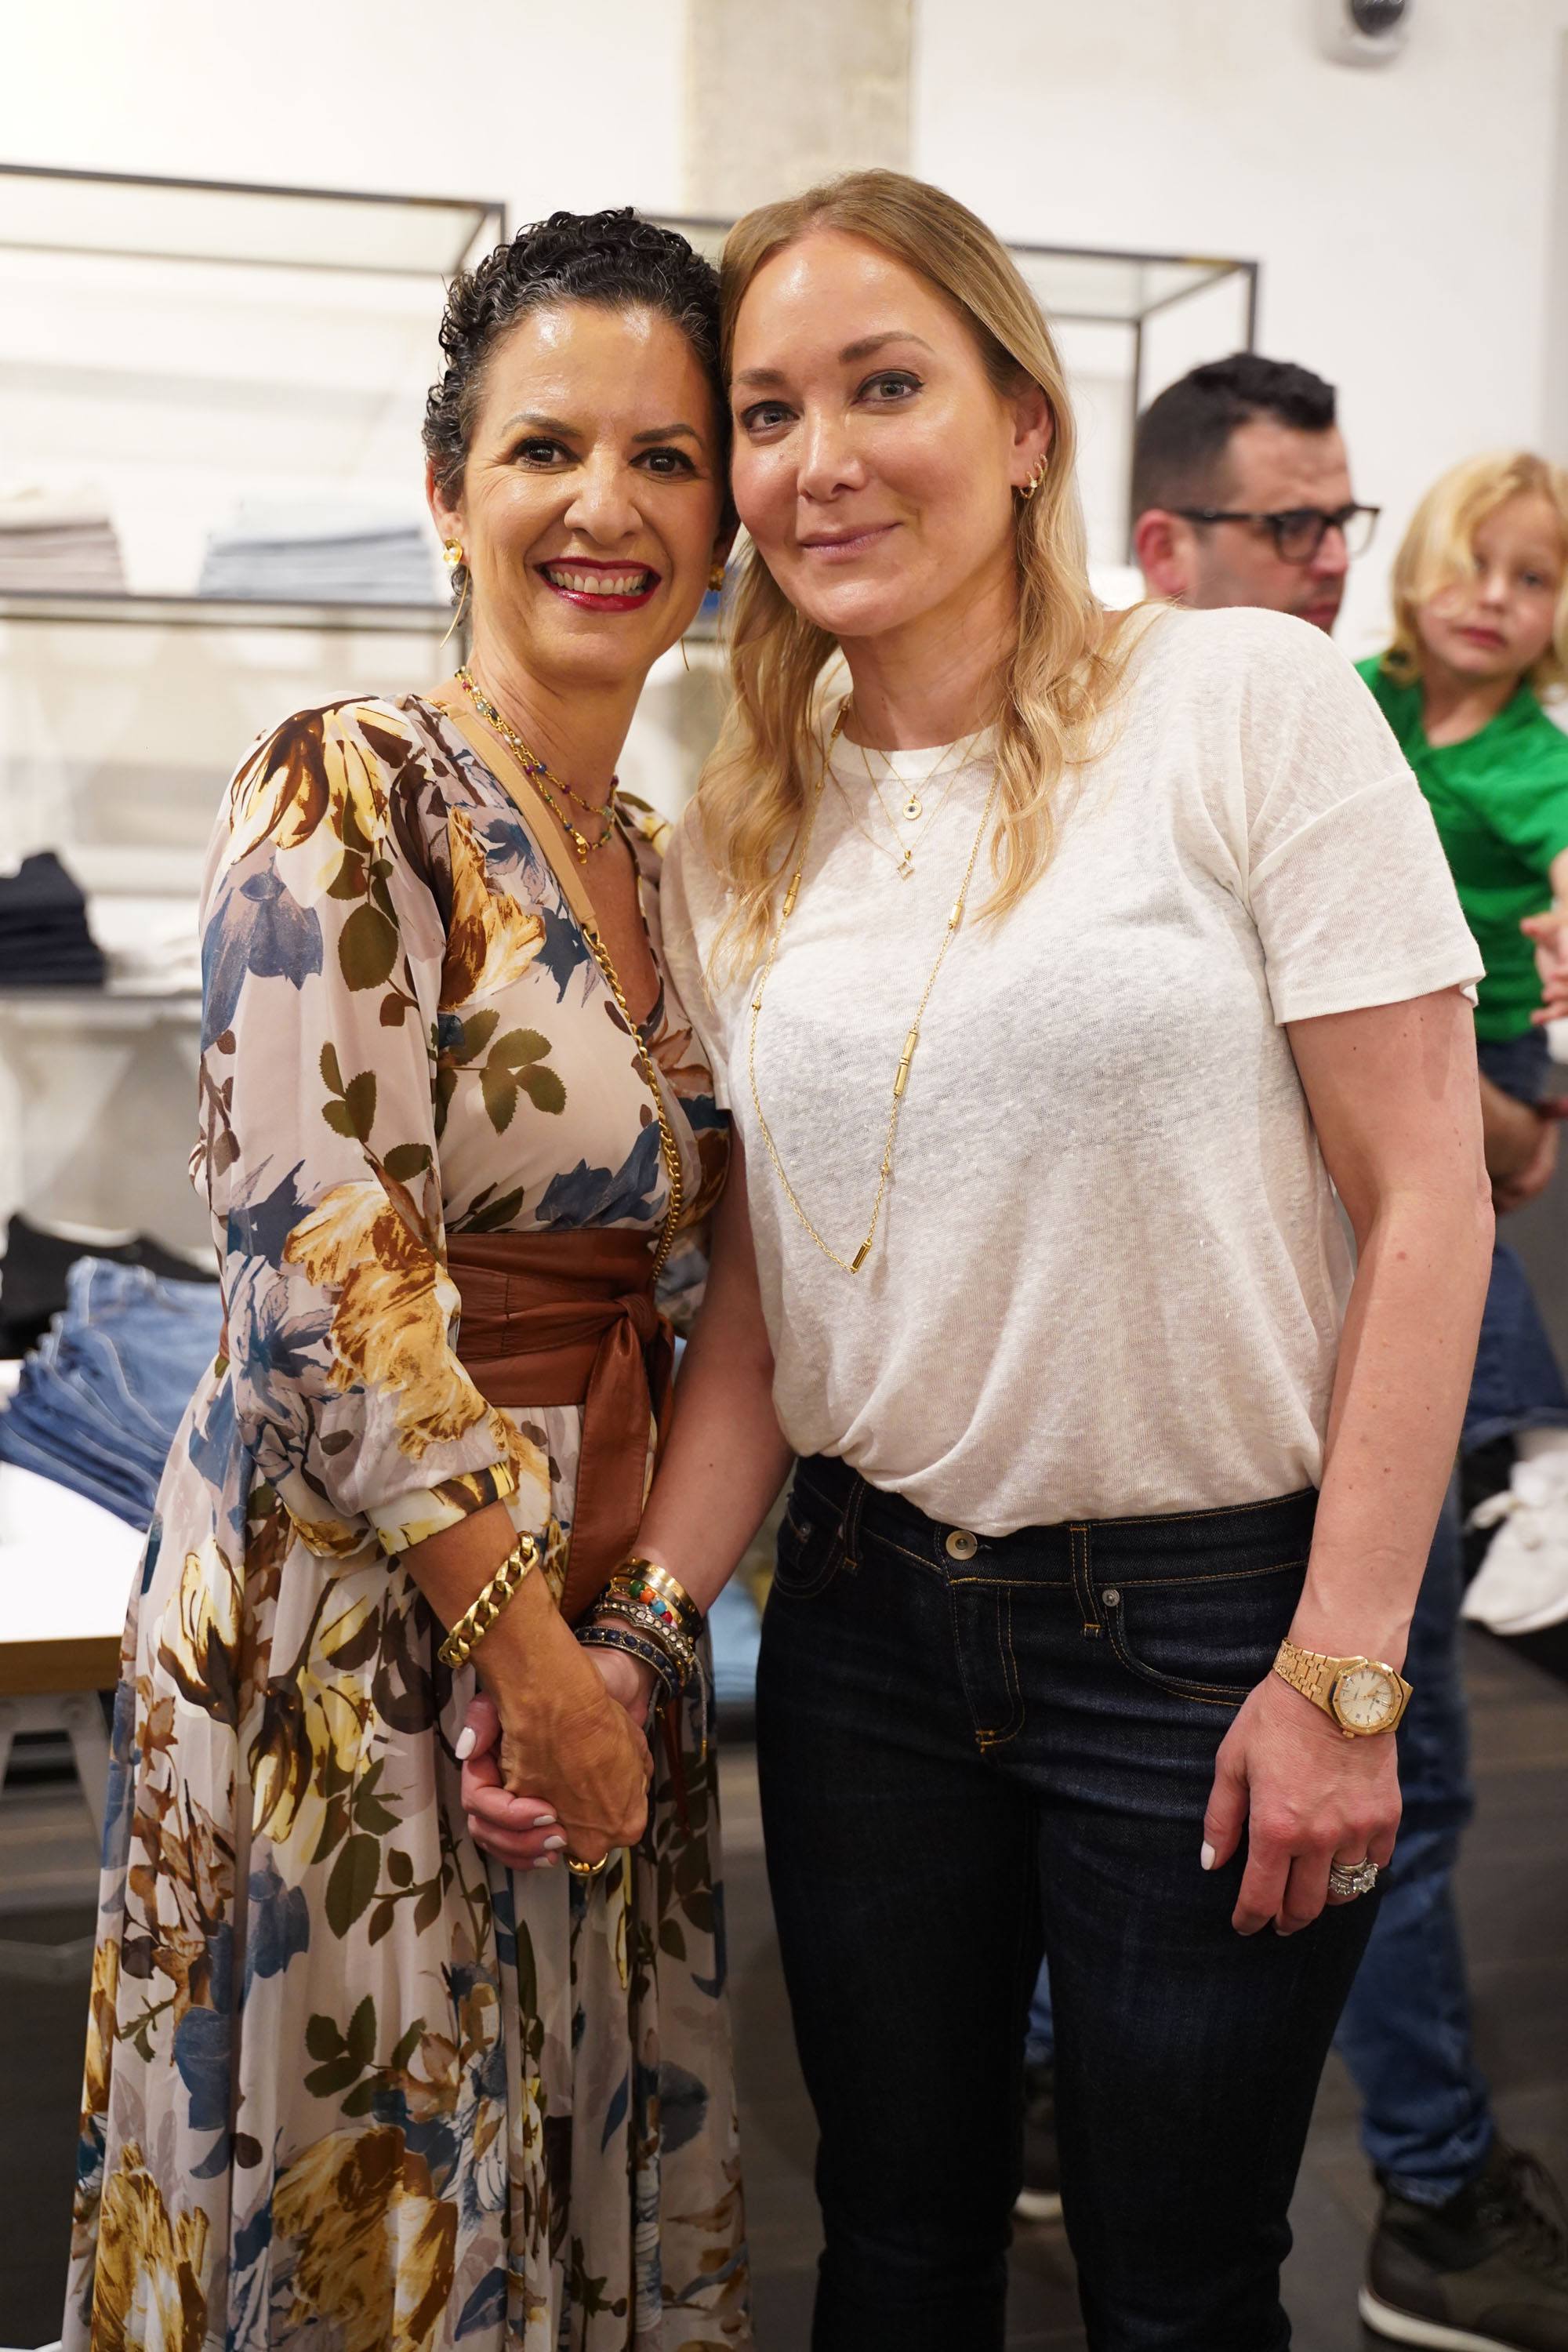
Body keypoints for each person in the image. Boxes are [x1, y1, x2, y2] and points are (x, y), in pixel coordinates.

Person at [468, 164, 1493, 2352]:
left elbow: (1432, 1195)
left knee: (1181, 2275)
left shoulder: (1240, 704)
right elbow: (767, 1310)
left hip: (1212, 1624)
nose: (820, 460)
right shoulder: (755, 814)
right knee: (903, 2238)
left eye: (886, 385)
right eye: (765, 412)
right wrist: (645, 1634)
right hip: (866, 1630)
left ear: (1026, 421)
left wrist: (1346, 1671)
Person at [64, 209, 750, 2352]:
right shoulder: (352, 781)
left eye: (667, 456)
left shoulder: (667, 856)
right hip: (367, 1606)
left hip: (604, 1606)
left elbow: (714, 1286)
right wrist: (529, 1653)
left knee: (566, 2154)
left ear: (725, 521)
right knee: (379, 2188)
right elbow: (318, 1258)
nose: (607, 506)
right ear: (448, 490)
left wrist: (631, 1642)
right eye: (549, 445)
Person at [1059, 371, 1568, 2352]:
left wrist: (1478, 1106)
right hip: (1152, 1402)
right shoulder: (1103, 757)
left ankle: (1426, 2187)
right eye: (1295, 529)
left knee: (1393, 1781)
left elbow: (1474, 1148)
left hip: (1353, 1367)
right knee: (1129, 1803)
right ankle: (1404, 2186)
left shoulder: (1380, 752)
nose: (1338, 562)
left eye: (1348, 522)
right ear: (1168, 546)